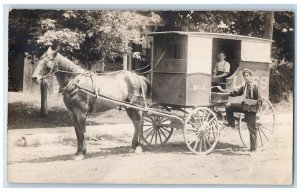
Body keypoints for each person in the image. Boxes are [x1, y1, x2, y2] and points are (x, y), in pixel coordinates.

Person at [225, 68, 262, 152]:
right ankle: (232, 124)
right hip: (244, 106)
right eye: (244, 76)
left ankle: (253, 149)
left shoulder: (255, 86)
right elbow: (237, 92)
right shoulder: (244, 86)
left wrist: (258, 112)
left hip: (251, 110)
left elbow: (259, 100)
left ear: (251, 76)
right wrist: (227, 93)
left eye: (247, 76)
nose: (246, 77)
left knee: (252, 129)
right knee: (229, 106)